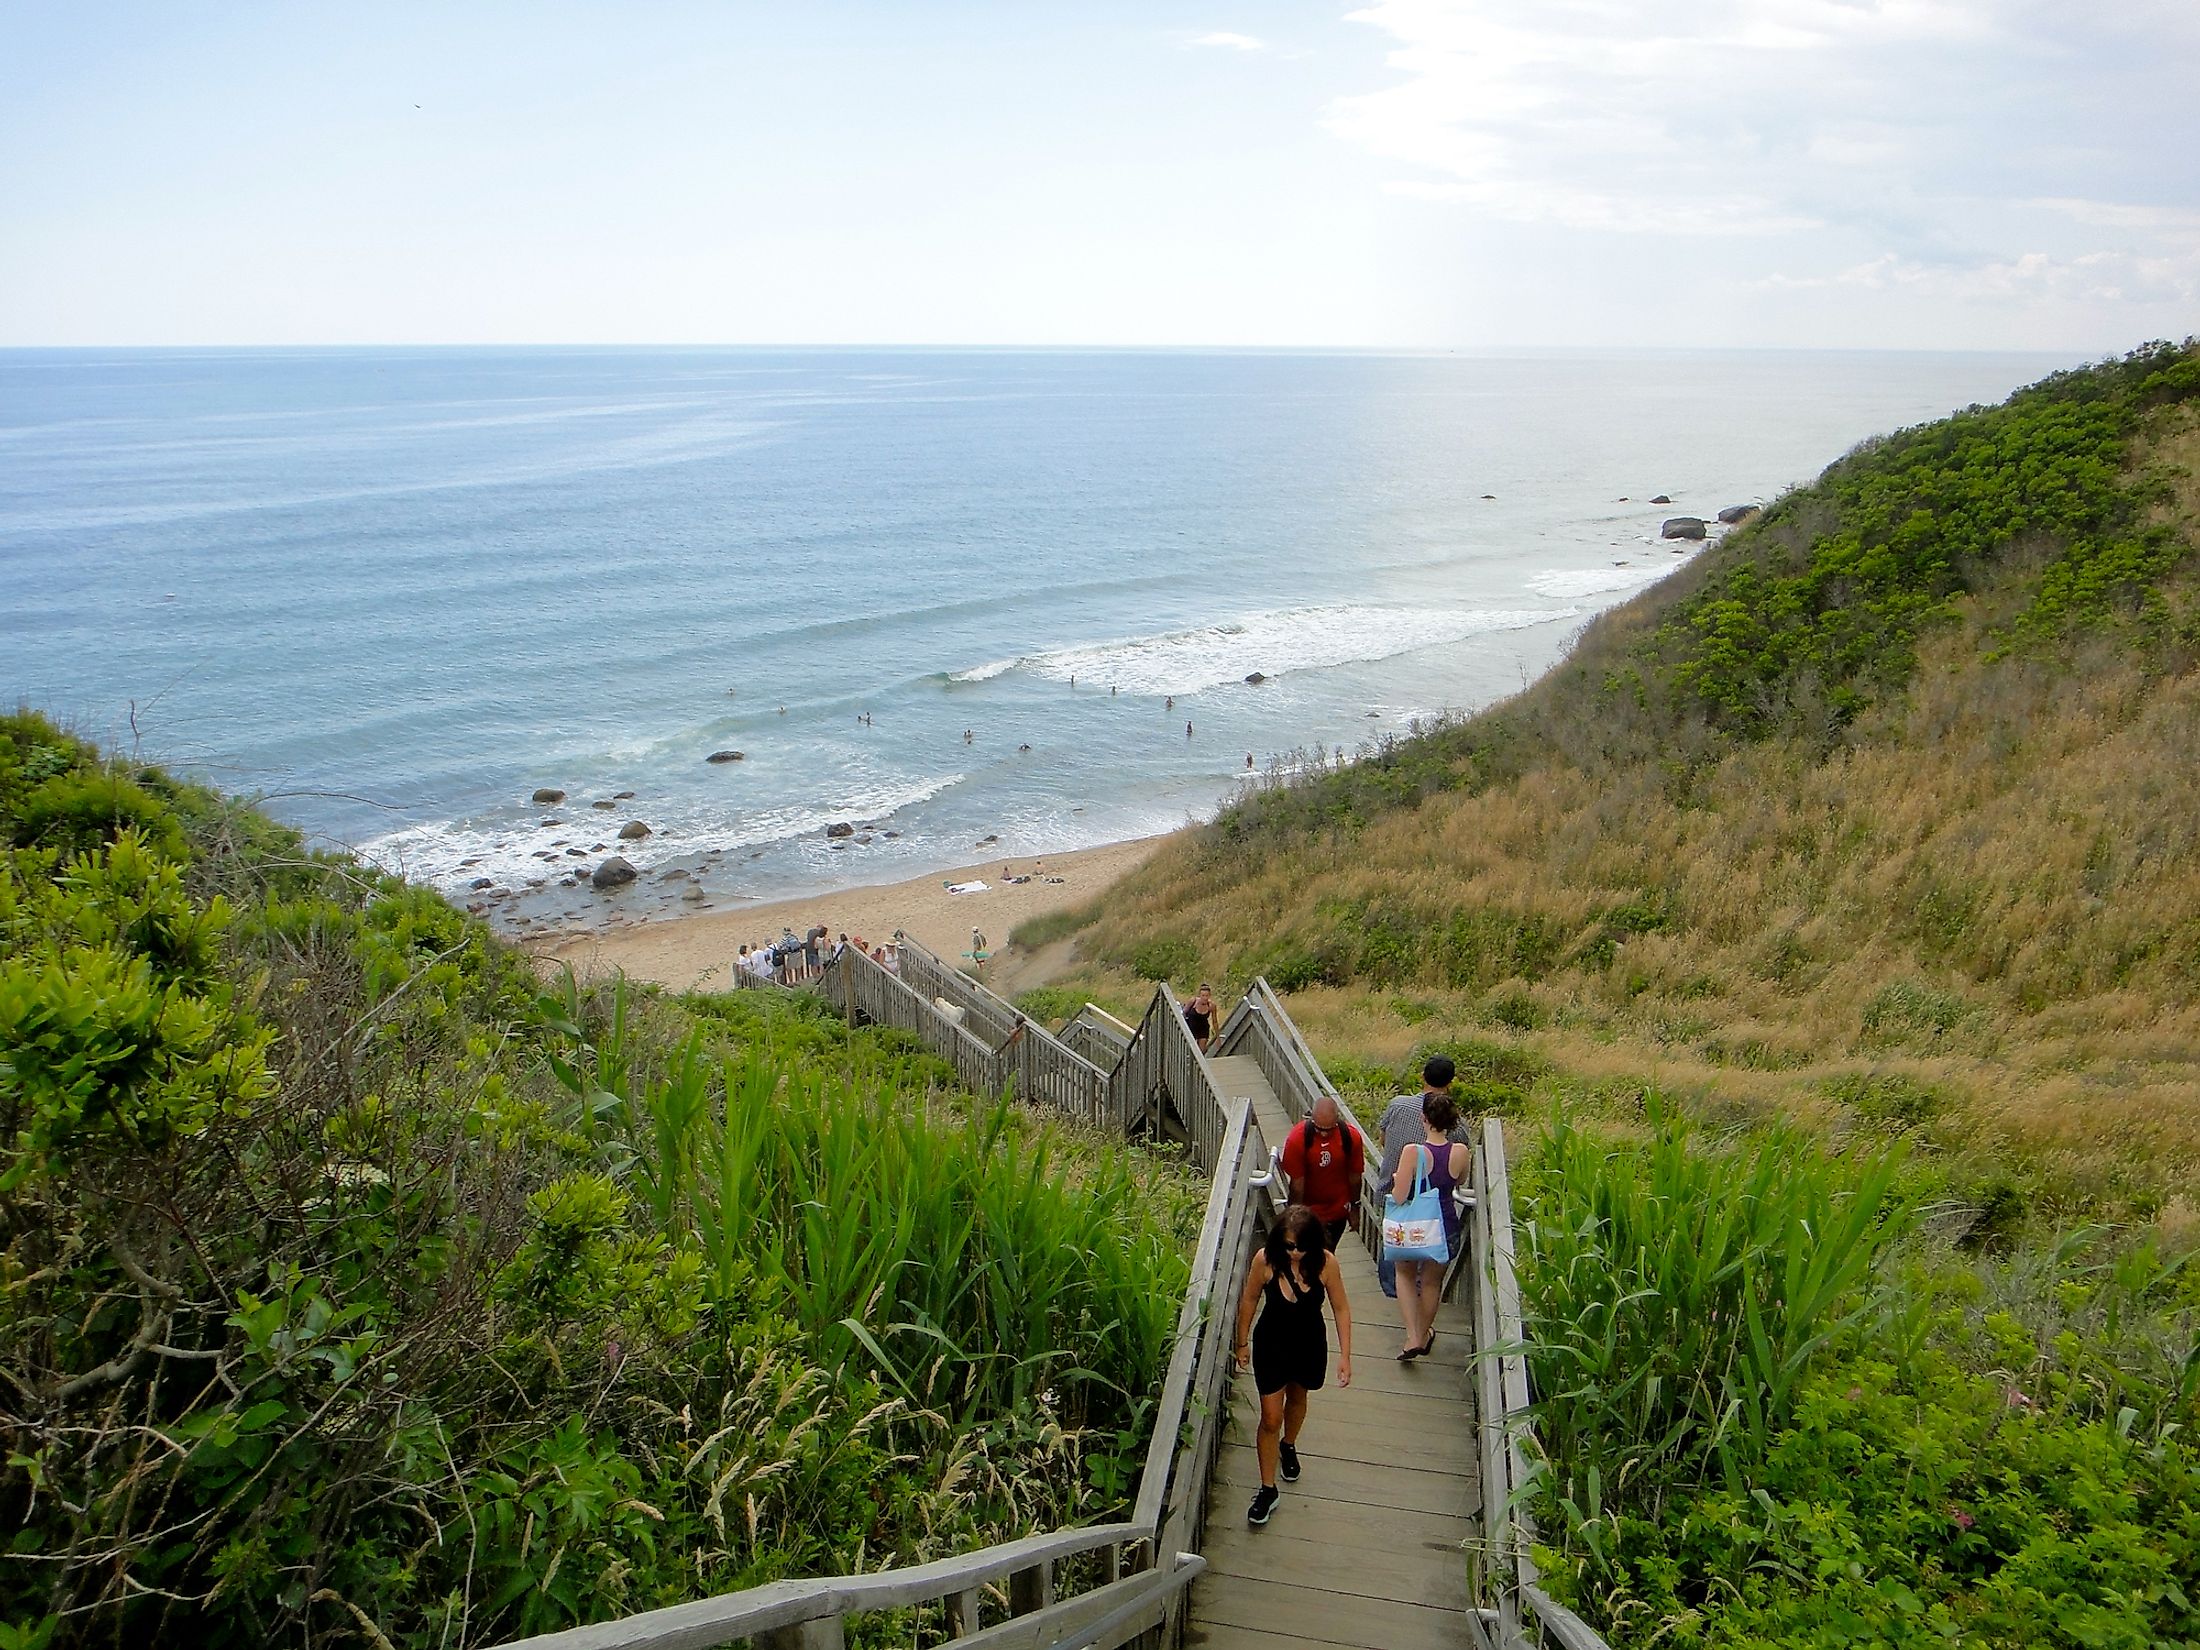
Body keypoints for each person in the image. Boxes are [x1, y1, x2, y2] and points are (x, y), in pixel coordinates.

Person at [1234, 1205, 1352, 1527]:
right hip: (1271, 1343)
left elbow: (1341, 1308)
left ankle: (1289, 1445)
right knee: (1270, 1417)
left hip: (1309, 1343)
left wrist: (1345, 1355)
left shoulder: (1326, 1264)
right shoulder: (1265, 1260)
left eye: (1302, 1246)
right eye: (1289, 1246)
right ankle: (1267, 1489)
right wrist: (1242, 1342)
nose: (1295, 1253)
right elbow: (1249, 1299)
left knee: (1298, 1400)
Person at [1375, 1056, 1468, 1299]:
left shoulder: (1398, 1106)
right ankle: (1419, 1323)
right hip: (1435, 1210)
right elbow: (1458, 1173)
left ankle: (1396, 1308)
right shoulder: (1454, 1123)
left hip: (1396, 1199)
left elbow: (1383, 1139)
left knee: (1397, 1262)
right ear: (1450, 1082)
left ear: (1422, 1076)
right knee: (1427, 1280)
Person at [1390, 1090, 1467, 1361]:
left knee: (1405, 1274)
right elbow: (1457, 1183)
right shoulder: (1460, 1152)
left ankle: (1412, 1337)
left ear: (1423, 1118)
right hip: (1445, 1225)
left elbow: (1399, 1196)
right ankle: (1423, 1335)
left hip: (1414, 1226)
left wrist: (1400, 1176)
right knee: (1432, 1283)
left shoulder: (1413, 1152)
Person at [1280, 1095, 1365, 1251]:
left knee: (1326, 1255)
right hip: (1307, 1213)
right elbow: (1297, 1184)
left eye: (1329, 1130)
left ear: (1337, 1120)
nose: (1324, 1134)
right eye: (1319, 1129)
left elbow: (1355, 1177)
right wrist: (1293, 1218)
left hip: (1337, 1212)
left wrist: (1355, 1208)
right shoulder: (1298, 1139)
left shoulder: (1350, 1137)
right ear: (1311, 1119)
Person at [1183, 984, 1217, 1052]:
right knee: (1191, 1049)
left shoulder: (1211, 1006)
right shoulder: (1193, 1001)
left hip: (1203, 1028)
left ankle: (1199, 1061)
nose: (1205, 998)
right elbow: (1183, 1012)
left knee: (1201, 1050)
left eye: (1207, 995)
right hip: (1191, 1026)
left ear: (1209, 996)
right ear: (1199, 995)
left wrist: (1217, 1037)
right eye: (1203, 995)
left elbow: (1215, 1021)